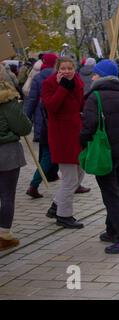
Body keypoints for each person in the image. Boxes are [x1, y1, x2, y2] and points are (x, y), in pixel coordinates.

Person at [80, 59, 119, 254]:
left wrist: (82, 142)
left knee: (111, 196)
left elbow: (88, 126)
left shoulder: (94, 97)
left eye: (95, 73)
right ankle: (112, 230)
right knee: (116, 191)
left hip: (105, 154)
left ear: (101, 76)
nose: (92, 76)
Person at [42, 57, 86, 229]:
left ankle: (55, 206)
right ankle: (64, 215)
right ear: (57, 69)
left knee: (80, 173)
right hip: (61, 135)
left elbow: (80, 105)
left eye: (70, 68)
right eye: (63, 68)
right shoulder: (49, 83)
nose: (67, 71)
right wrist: (62, 88)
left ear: (74, 68)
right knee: (70, 178)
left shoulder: (78, 82)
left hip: (77, 134)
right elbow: (51, 107)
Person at [0, 69, 32, 250]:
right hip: (7, 153)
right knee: (6, 195)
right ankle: (4, 234)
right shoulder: (7, 101)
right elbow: (24, 127)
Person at [25, 53, 60, 199]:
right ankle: (34, 184)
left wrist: (26, 119)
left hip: (42, 122)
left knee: (47, 152)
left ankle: (50, 176)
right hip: (53, 121)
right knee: (49, 154)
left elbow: (31, 100)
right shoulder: (58, 76)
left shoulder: (38, 77)